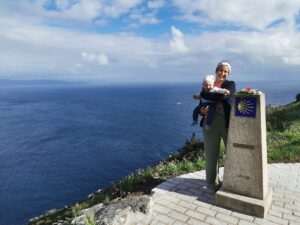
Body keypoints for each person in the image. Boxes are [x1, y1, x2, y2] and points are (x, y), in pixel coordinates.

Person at [199, 61, 236, 191]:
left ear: (228, 73)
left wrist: (209, 94)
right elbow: (202, 100)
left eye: (225, 71)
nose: (222, 73)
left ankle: (232, 181)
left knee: (231, 152)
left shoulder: (230, 84)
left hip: (226, 122)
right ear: (216, 71)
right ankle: (211, 181)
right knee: (210, 152)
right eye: (220, 70)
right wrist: (200, 111)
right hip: (209, 122)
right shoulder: (208, 83)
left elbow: (225, 97)